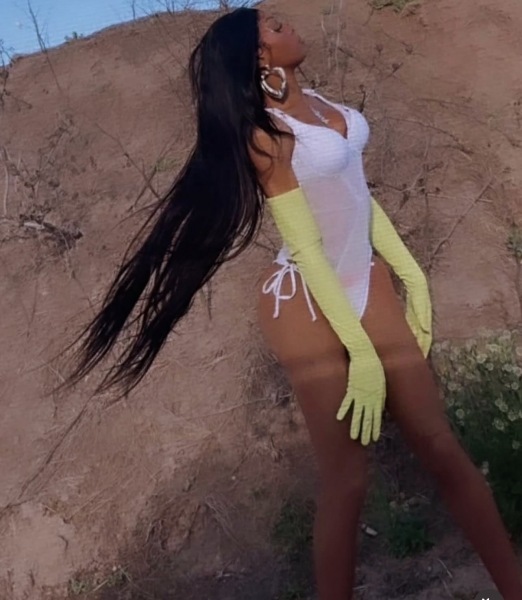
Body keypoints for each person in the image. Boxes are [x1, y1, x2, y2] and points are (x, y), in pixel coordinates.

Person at [62, 8, 522, 600]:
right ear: (259, 57)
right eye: (276, 27)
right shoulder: (266, 135)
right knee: (347, 482)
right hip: (303, 299)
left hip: (366, 280)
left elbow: (355, 196)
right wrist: (359, 350)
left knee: (442, 448)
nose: (291, 27)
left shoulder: (326, 107)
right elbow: (305, 247)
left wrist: (413, 276)